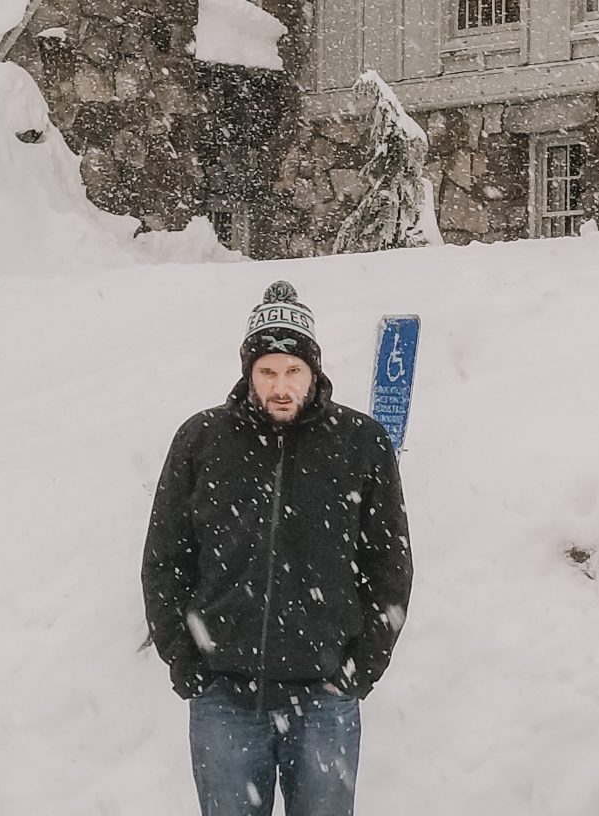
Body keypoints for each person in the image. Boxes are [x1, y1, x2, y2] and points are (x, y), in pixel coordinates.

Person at [142, 280, 413, 816]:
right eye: (268, 372)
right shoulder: (201, 441)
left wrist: (361, 667)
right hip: (223, 695)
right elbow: (165, 560)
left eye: (293, 371)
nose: (281, 387)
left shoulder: (360, 443)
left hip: (324, 698)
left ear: (314, 371)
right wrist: (185, 659)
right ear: (249, 373)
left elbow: (389, 566)